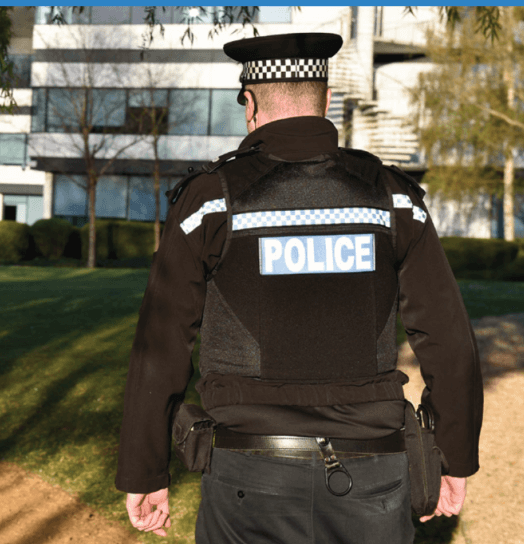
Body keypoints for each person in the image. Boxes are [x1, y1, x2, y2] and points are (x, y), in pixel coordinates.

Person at [115, 32, 483, 542]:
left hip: (248, 478)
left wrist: (145, 472)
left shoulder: (210, 202)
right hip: (373, 477)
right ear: (326, 100)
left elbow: (160, 345)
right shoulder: (393, 199)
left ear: (250, 103)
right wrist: (455, 457)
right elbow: (447, 339)